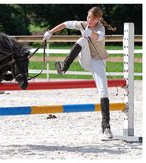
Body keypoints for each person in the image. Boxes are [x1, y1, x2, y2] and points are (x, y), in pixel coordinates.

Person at [43, 6, 116, 139]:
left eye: (93, 18)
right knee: (82, 40)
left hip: (99, 61)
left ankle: (106, 127)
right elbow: (65, 24)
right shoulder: (82, 24)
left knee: (103, 91)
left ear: (98, 19)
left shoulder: (101, 28)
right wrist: (50, 32)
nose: (89, 20)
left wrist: (91, 34)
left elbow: (98, 37)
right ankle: (64, 66)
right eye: (88, 17)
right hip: (86, 60)